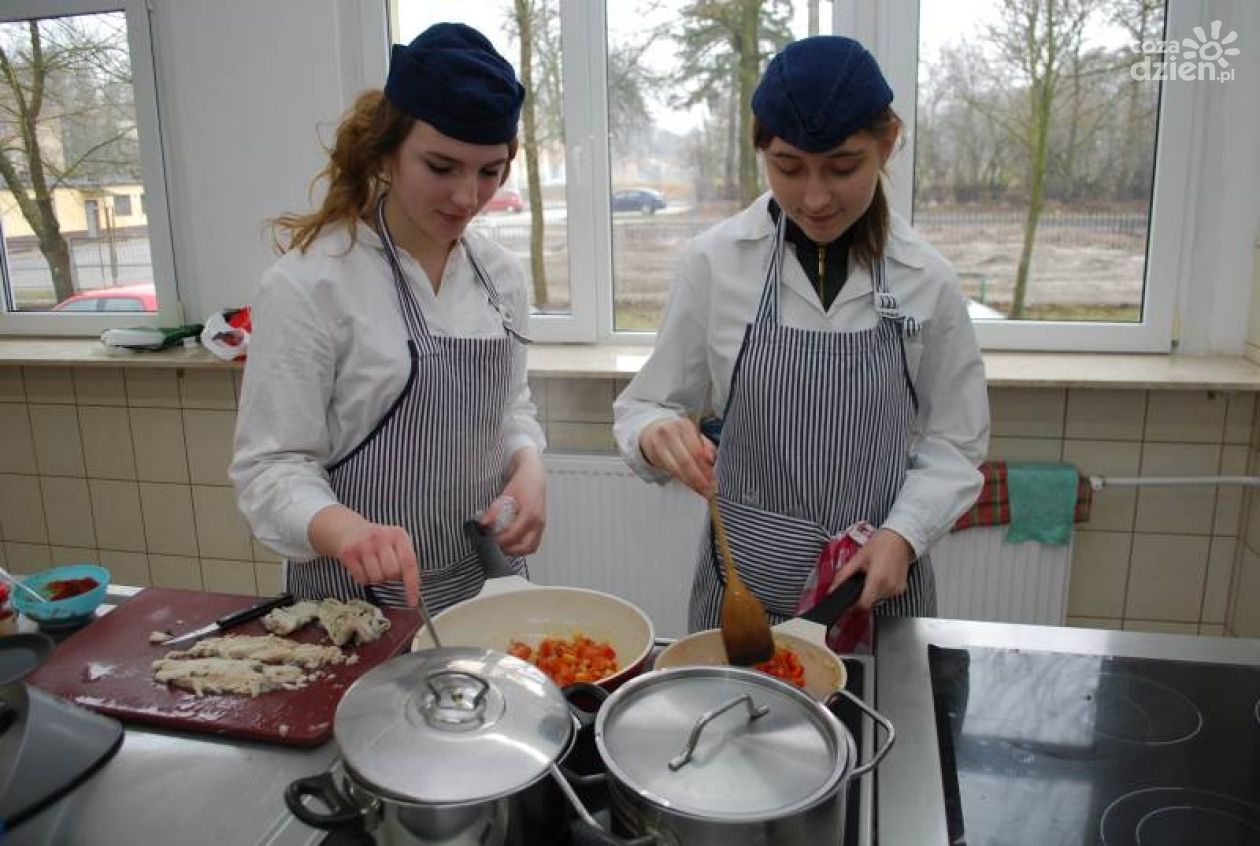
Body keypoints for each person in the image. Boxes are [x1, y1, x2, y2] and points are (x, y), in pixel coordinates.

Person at [613, 35, 989, 634]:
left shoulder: (928, 281)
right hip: (741, 603)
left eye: (843, 168)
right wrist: (658, 433)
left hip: (874, 600)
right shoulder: (715, 264)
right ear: (762, 152)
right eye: (788, 168)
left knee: (877, 730)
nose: (814, 199)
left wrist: (905, 533)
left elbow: (957, 441)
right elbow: (646, 404)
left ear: (887, 143)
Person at [231, 23, 546, 613]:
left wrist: (527, 466)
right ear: (387, 152)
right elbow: (269, 470)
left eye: (489, 170)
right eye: (441, 166)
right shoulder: (311, 284)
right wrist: (344, 530)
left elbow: (511, 408)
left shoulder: (499, 276)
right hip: (356, 606)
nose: (466, 197)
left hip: (486, 589)